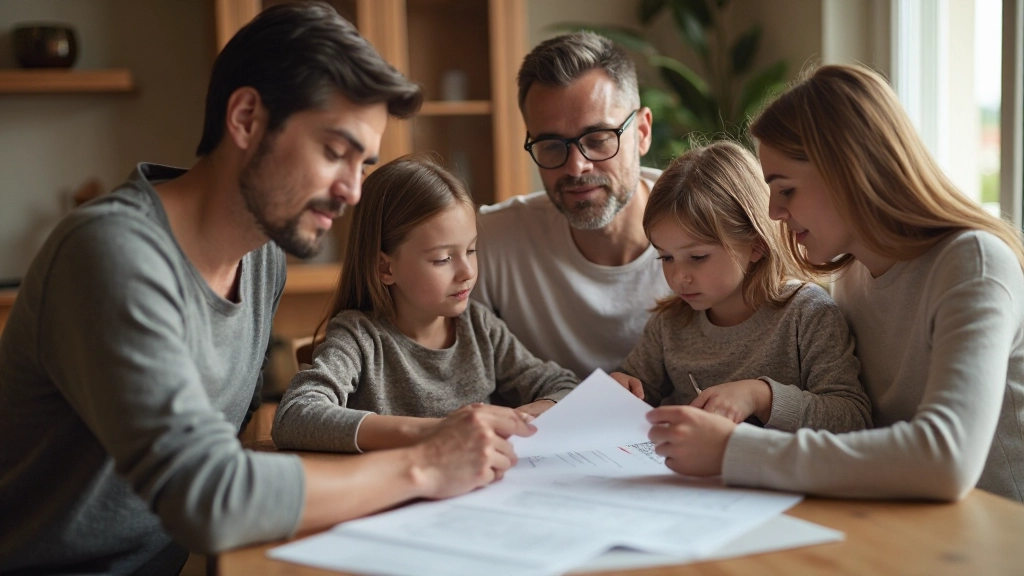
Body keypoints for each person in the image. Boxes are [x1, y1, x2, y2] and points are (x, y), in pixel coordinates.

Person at [0, 4, 534, 574]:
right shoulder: (111, 254)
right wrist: (424, 463)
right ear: (247, 118)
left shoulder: (261, 261)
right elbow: (210, 497)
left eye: (364, 163)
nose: (353, 191)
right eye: (335, 152)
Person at [645, 64, 1024, 503]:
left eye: (785, 189)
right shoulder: (852, 275)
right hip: (889, 512)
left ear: (848, 172)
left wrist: (734, 450)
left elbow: (946, 460)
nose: (772, 213)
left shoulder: (972, 263)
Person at [272, 155, 577, 453]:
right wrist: (438, 431)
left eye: (471, 250)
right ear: (386, 269)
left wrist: (522, 417)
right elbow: (295, 415)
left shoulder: (479, 327)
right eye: (443, 258)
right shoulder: (360, 338)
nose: (467, 272)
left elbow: (564, 386)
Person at [610, 141, 871, 433]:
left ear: (756, 245)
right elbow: (635, 385)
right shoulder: (670, 324)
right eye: (666, 257)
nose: (678, 276)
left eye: (697, 257)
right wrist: (620, 387)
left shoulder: (808, 315)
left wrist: (762, 397)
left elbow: (852, 418)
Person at [472, 32, 671, 379]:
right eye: (551, 145)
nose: (576, 167)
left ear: (642, 132)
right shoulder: (492, 240)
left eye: (597, 140)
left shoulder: (715, 229)